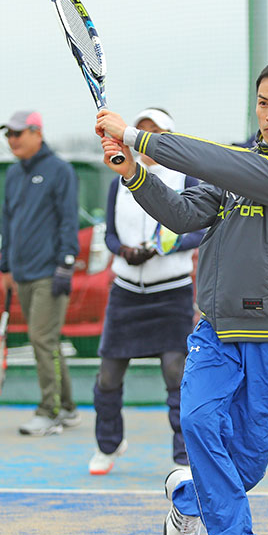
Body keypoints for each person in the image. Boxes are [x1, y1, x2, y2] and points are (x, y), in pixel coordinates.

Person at [96, 53, 268, 535]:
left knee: (245, 462)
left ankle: (185, 495)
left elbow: (219, 164)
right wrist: (135, 173)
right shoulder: (238, 163)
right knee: (199, 421)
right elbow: (182, 215)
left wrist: (136, 136)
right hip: (217, 326)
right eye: (264, 103)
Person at [88, 107, 204, 475]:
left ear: (169, 137)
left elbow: (200, 229)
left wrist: (165, 247)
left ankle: (183, 455)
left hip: (172, 293)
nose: (148, 139)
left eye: (156, 132)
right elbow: (109, 234)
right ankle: (108, 445)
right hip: (125, 292)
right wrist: (125, 251)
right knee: (108, 375)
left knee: (175, 372)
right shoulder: (118, 179)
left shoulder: (186, 177)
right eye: (142, 131)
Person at [0, 110, 80, 436]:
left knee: (41, 339)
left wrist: (66, 264)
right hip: (22, 273)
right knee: (49, 342)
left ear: (37, 133)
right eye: (9, 134)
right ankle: (69, 407)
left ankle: (50, 411)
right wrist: (5, 265)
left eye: (18, 133)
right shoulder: (13, 174)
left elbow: (68, 220)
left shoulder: (60, 170)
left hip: (50, 271)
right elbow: (7, 222)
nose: (12, 140)